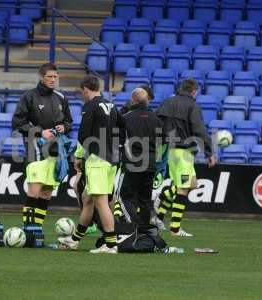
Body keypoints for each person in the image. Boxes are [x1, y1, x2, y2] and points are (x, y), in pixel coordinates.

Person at [58, 75, 121, 254]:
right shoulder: (111, 105)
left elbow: (84, 134)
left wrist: (79, 156)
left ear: (86, 89)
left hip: (97, 160)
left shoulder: (90, 106)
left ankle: (110, 245)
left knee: (101, 202)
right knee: (87, 198)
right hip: (111, 159)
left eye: (82, 92)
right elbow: (120, 130)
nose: (83, 95)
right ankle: (74, 240)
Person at [12, 63, 73, 242]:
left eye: (56, 77)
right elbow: (17, 123)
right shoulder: (29, 97)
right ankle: (27, 229)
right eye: (50, 77)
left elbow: (69, 122)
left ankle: (36, 229)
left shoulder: (61, 98)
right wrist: (40, 132)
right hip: (35, 148)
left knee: (46, 192)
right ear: (41, 77)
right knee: (35, 190)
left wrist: (64, 127)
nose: (53, 80)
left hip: (56, 149)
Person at [154, 78, 216, 237]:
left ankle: (159, 215)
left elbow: (156, 124)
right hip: (183, 152)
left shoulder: (167, 102)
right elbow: (199, 130)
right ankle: (175, 229)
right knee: (183, 188)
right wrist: (209, 152)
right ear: (194, 91)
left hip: (169, 150)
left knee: (190, 184)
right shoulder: (192, 105)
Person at [116, 87, 163, 226]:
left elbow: (118, 140)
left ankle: (134, 225)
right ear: (147, 101)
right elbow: (162, 141)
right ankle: (145, 231)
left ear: (133, 100)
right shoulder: (156, 119)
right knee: (145, 199)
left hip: (132, 163)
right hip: (150, 163)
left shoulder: (126, 118)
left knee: (125, 197)